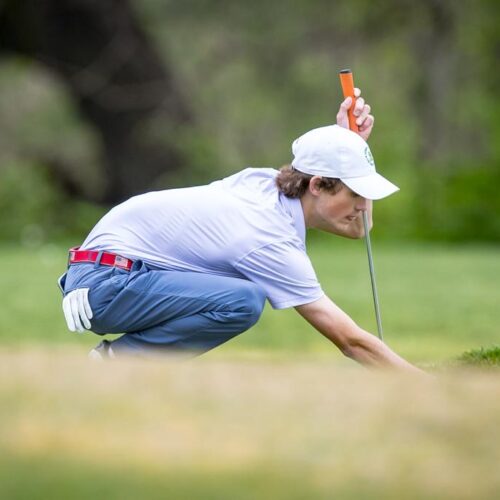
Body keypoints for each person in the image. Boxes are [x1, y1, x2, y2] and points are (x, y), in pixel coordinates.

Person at [59, 89, 421, 372]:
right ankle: (116, 365)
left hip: (111, 275)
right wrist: (428, 385)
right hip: (106, 282)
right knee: (243, 301)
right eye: (355, 193)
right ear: (317, 185)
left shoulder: (269, 185)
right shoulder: (266, 236)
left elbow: (361, 229)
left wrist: (351, 149)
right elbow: (350, 342)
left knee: (241, 297)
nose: (362, 206)